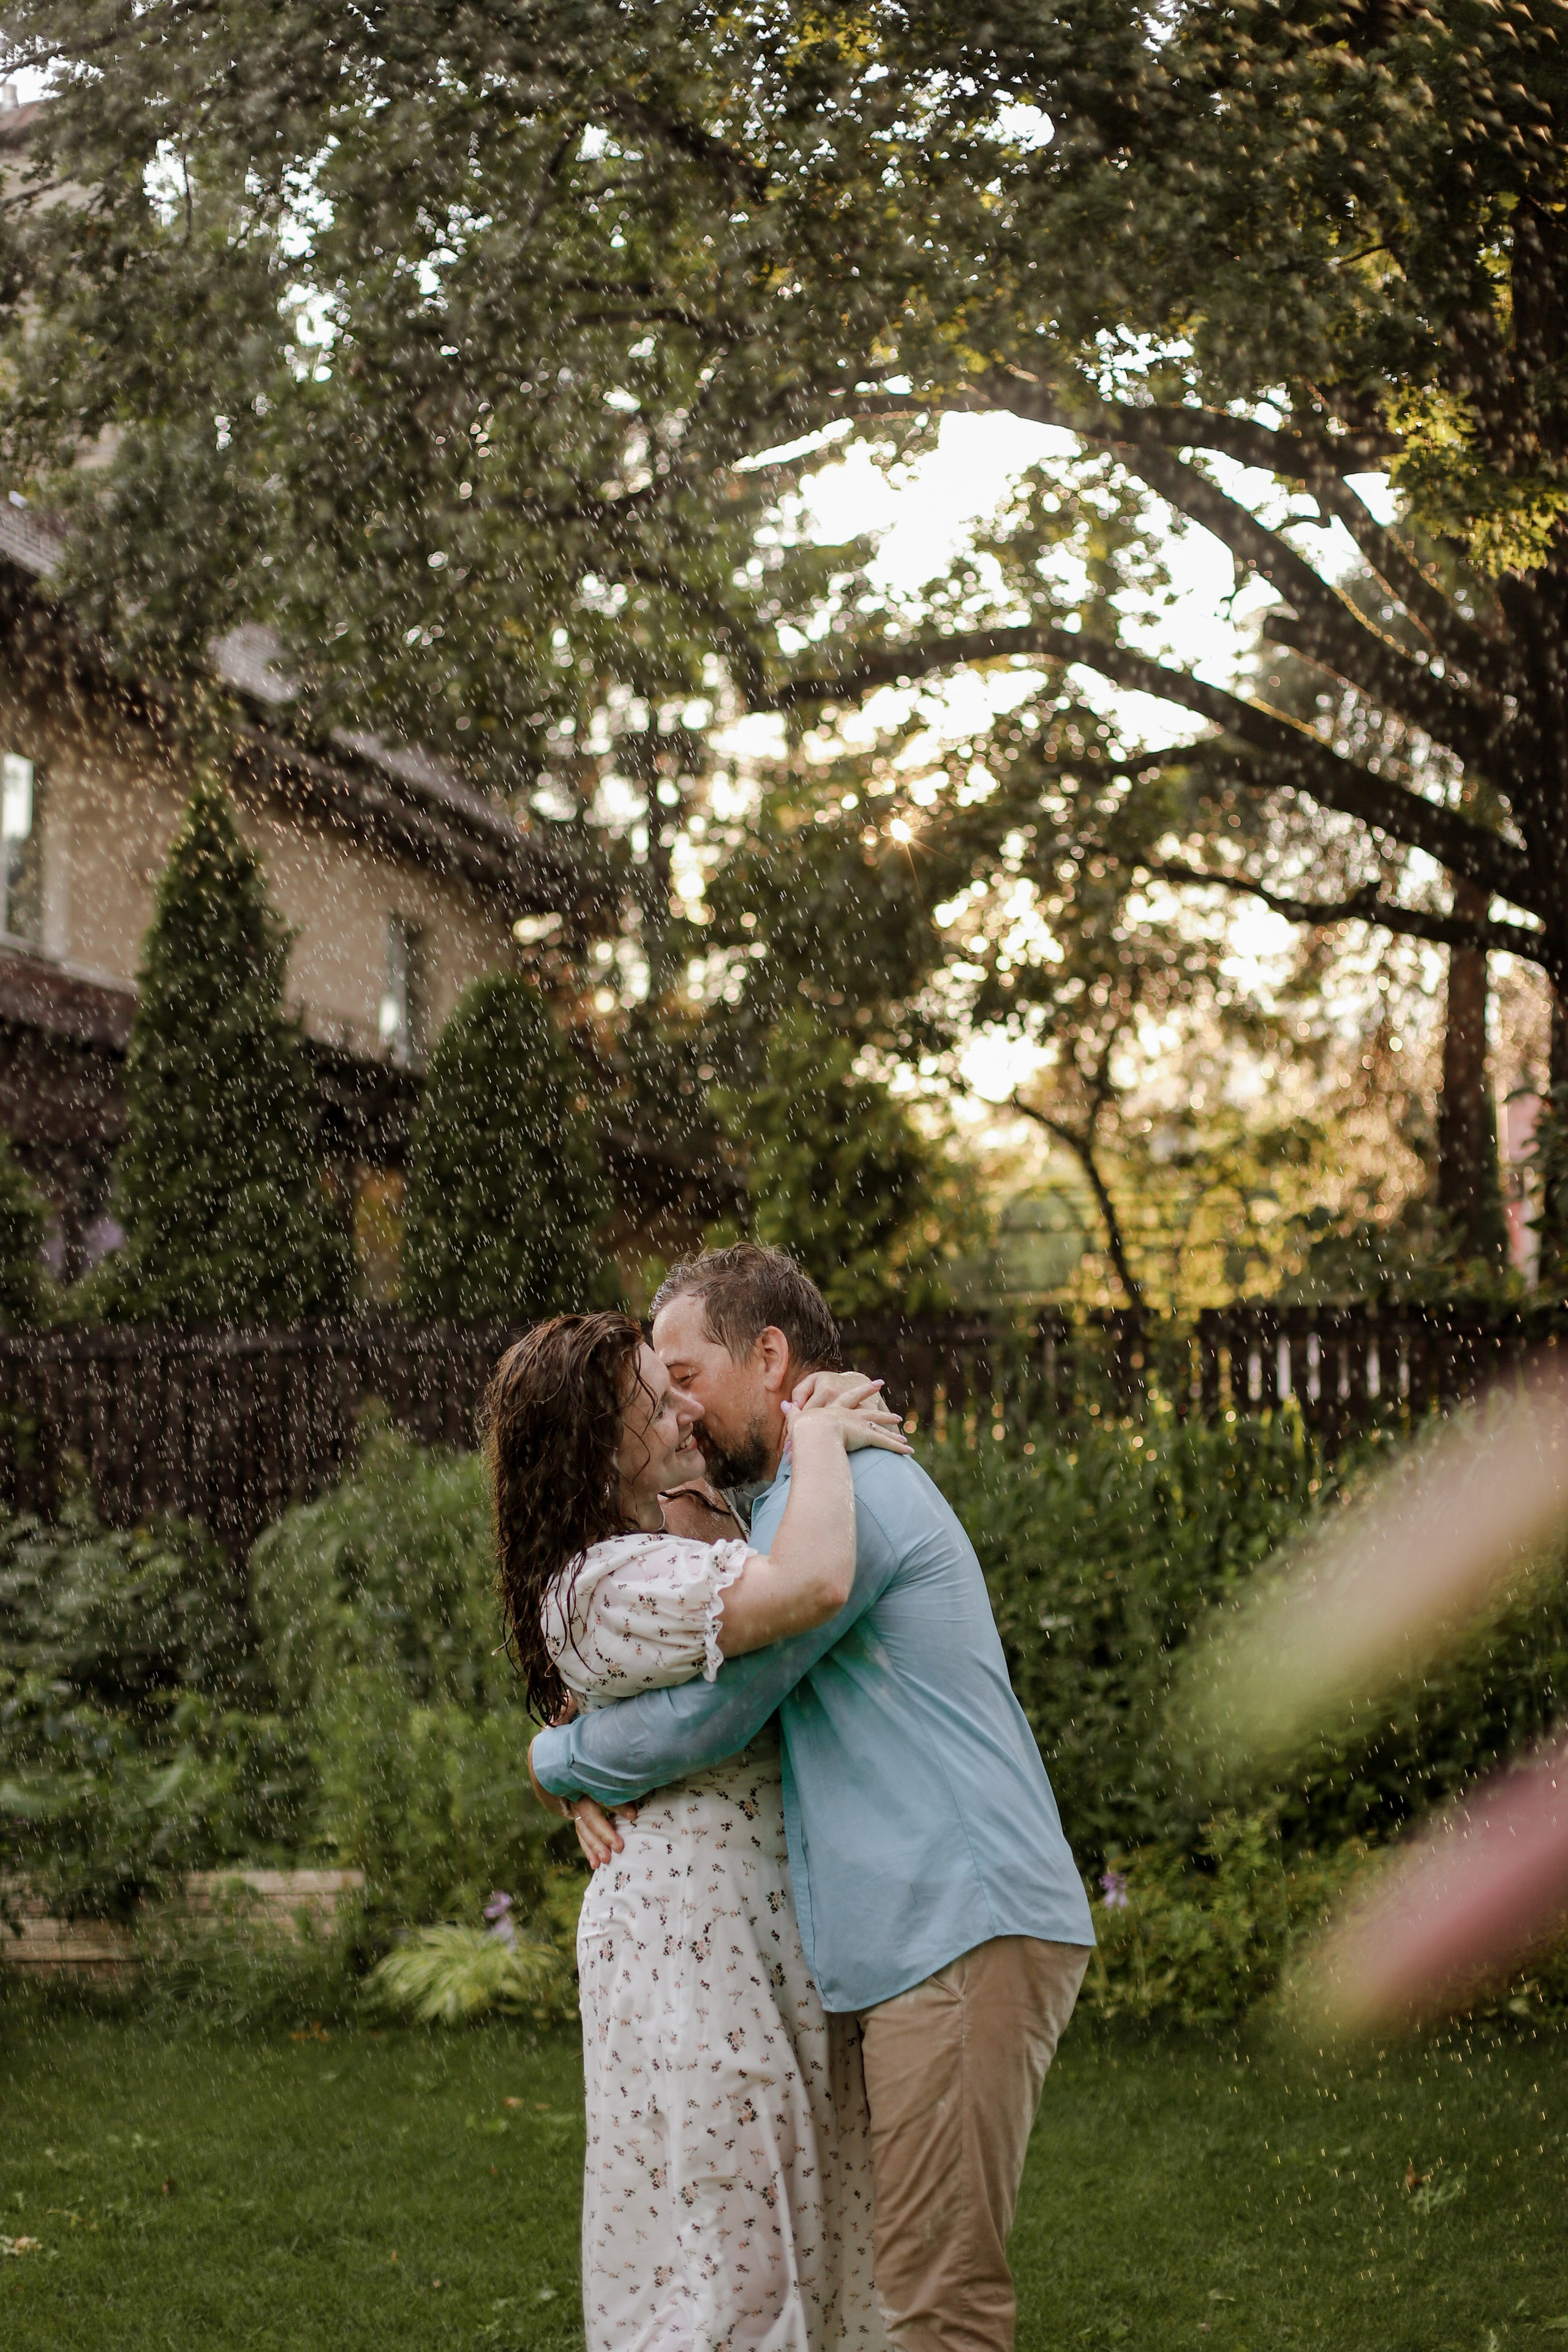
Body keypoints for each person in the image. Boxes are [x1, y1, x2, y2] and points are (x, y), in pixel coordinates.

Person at [530, 1246, 1096, 2352]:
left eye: (684, 1376)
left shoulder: (857, 1493)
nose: (679, 1412)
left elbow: (720, 1714)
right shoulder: (796, 1496)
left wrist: (555, 1764)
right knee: (895, 2288)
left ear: (771, 1356)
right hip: (918, 1938)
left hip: (960, 1923)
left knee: (938, 2300)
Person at [489, 1310, 910, 2352]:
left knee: (806, 2239)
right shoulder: (603, 1580)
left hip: (759, 1930)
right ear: (597, 1437)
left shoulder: (672, 1534)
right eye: (653, 1394)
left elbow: (630, 1722)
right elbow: (811, 1588)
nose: (683, 1404)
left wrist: (561, 1760)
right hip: (694, 1941)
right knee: (732, 2259)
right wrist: (815, 1434)